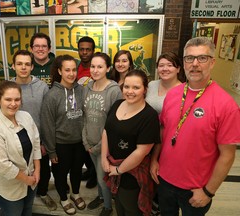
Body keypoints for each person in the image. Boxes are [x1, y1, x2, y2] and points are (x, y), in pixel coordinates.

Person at [150, 37, 240, 216]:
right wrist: (154, 160)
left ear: (212, 62)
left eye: (202, 58)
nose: (195, 64)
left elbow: (227, 155)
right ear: (183, 63)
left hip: (196, 188)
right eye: (189, 58)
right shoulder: (173, 94)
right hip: (165, 180)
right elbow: (164, 130)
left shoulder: (226, 105)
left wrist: (208, 191)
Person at [102, 69, 161, 216]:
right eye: (127, 87)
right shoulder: (117, 104)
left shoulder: (149, 116)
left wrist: (118, 170)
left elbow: (141, 151)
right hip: (112, 165)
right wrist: (103, 158)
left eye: (136, 87)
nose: (130, 91)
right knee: (119, 205)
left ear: (145, 89)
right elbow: (106, 131)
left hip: (132, 173)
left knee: (131, 207)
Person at [0, 81, 41, 216]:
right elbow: (3, 165)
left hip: (32, 178)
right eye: (8, 99)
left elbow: (36, 142)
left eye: (17, 99)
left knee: (27, 210)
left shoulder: (26, 116)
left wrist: (37, 169)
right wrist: (27, 179)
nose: (13, 104)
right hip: (8, 187)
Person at [10, 50, 57, 210]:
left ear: (32, 67)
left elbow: (47, 117)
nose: (23, 67)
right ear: (13, 66)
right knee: (18, 171)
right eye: (19, 64)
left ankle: (42, 193)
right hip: (14, 141)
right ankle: (21, 198)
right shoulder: (8, 87)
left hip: (38, 141)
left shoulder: (42, 87)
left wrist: (44, 142)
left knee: (43, 172)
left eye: (27, 64)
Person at [40, 55, 86, 215]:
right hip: (61, 144)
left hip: (79, 142)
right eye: (67, 70)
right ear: (59, 71)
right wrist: (51, 151)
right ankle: (63, 198)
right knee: (60, 173)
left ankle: (75, 193)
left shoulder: (81, 90)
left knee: (76, 171)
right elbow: (47, 124)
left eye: (74, 70)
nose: (71, 73)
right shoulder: (52, 95)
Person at [83, 52, 122, 216]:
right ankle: (100, 197)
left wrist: (99, 146)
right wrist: (85, 141)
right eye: (93, 66)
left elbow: (115, 124)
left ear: (107, 68)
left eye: (100, 66)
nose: (95, 70)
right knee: (98, 176)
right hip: (90, 143)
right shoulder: (87, 87)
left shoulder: (113, 91)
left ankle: (107, 206)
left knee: (102, 178)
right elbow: (84, 116)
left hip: (104, 145)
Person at [146, 52, 183, 216]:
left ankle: (159, 207)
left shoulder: (183, 91)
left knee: (160, 177)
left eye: (170, 65)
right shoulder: (152, 85)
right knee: (147, 175)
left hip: (166, 141)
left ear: (178, 69)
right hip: (146, 138)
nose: (165, 68)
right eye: (161, 65)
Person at [77, 36, 97, 189]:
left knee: (94, 146)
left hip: (95, 112)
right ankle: (90, 170)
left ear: (93, 51)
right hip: (78, 113)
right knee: (82, 148)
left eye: (88, 49)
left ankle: (95, 175)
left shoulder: (97, 68)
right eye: (81, 49)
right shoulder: (75, 68)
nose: (84, 52)